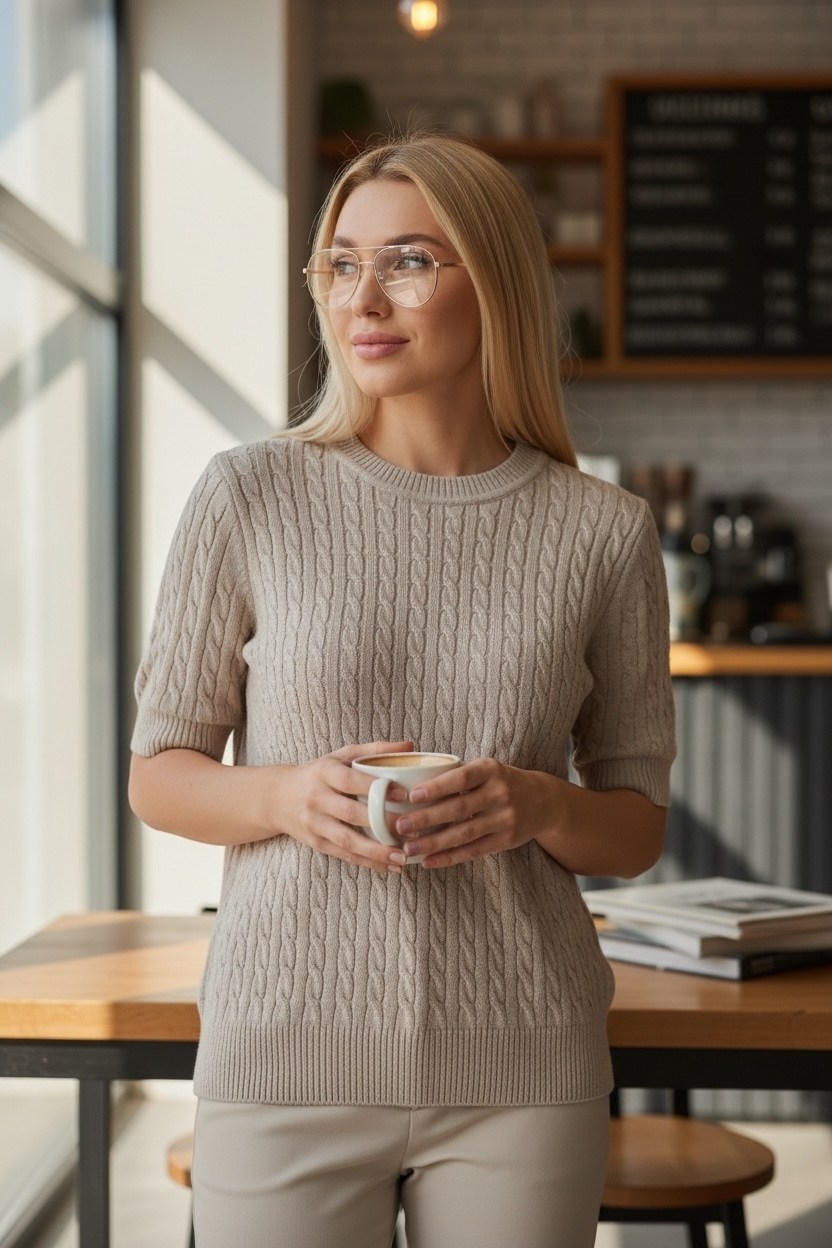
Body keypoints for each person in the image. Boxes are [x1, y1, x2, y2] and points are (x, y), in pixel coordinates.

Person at [128, 131, 676, 1248]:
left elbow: (632, 830)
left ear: (498, 283)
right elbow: (159, 777)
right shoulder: (248, 496)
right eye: (340, 264)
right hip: (283, 1051)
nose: (363, 296)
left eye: (411, 261)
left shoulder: (603, 533)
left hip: (523, 1061)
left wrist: (540, 805)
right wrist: (285, 799)